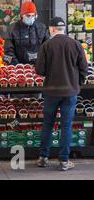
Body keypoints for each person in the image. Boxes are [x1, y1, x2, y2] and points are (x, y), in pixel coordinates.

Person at [35, 17, 89, 171]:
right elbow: (84, 67)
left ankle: (43, 158)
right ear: (63, 29)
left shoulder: (47, 45)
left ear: (52, 29)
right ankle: (64, 161)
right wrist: (77, 82)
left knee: (48, 124)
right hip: (70, 92)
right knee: (66, 126)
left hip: (51, 92)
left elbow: (39, 70)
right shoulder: (75, 44)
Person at [4, 1, 50, 65]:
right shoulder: (12, 29)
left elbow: (48, 48)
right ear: (22, 15)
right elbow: (8, 51)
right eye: (28, 15)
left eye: (33, 15)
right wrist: (17, 66)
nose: (31, 18)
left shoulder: (42, 28)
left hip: (38, 66)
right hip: (18, 68)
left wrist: (42, 64)